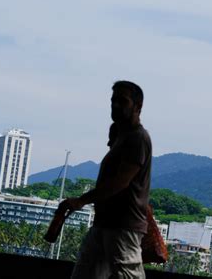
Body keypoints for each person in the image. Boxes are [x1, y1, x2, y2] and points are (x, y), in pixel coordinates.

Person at [58, 80, 152, 279]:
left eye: (122, 101)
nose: (115, 105)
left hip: (123, 226)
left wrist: (81, 200)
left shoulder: (138, 138)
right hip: (106, 222)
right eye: (113, 100)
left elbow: (120, 181)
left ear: (138, 106)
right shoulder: (123, 136)